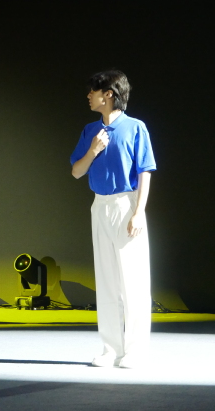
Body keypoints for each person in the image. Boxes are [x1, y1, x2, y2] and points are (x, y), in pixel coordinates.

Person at [70, 70, 156, 369]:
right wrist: (93, 150)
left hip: (126, 203)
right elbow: (77, 171)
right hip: (100, 205)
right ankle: (110, 349)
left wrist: (139, 212)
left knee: (133, 281)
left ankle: (135, 350)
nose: (88, 96)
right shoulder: (90, 131)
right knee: (106, 280)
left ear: (108, 94)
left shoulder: (135, 128)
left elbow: (145, 171)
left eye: (93, 91)